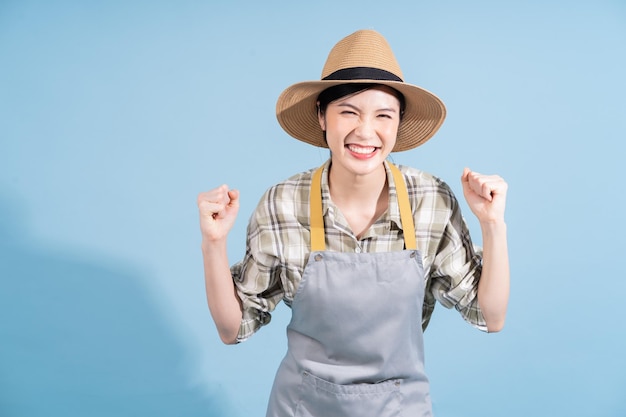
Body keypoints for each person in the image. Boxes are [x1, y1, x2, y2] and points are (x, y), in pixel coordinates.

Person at [197, 29, 509, 417]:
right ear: (321, 117)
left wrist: (493, 225)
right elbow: (233, 328)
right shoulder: (282, 203)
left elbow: (490, 316)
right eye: (348, 111)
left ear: (398, 124)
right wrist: (213, 242)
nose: (365, 131)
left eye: (383, 115)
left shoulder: (431, 200)